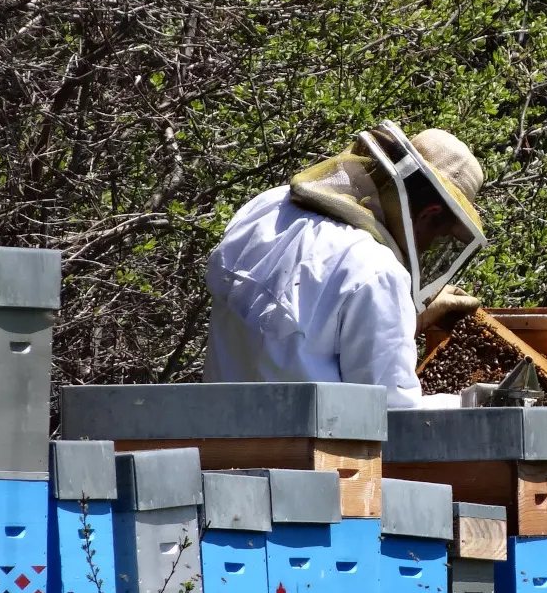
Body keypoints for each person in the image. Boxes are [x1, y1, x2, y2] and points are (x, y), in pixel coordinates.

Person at [204, 123, 486, 408]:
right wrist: (480, 403)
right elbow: (394, 415)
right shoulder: (376, 271)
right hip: (307, 448)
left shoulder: (268, 207)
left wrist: (410, 319)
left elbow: (300, 334)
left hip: (217, 438)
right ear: (429, 213)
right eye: (439, 237)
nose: (428, 248)